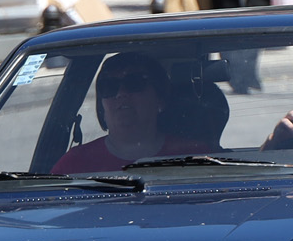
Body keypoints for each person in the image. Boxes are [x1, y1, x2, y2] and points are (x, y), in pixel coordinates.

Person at [52, 54, 206, 173]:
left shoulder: (195, 157)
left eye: (134, 83)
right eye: (110, 87)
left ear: (160, 99)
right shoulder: (75, 164)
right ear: (101, 106)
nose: (121, 94)